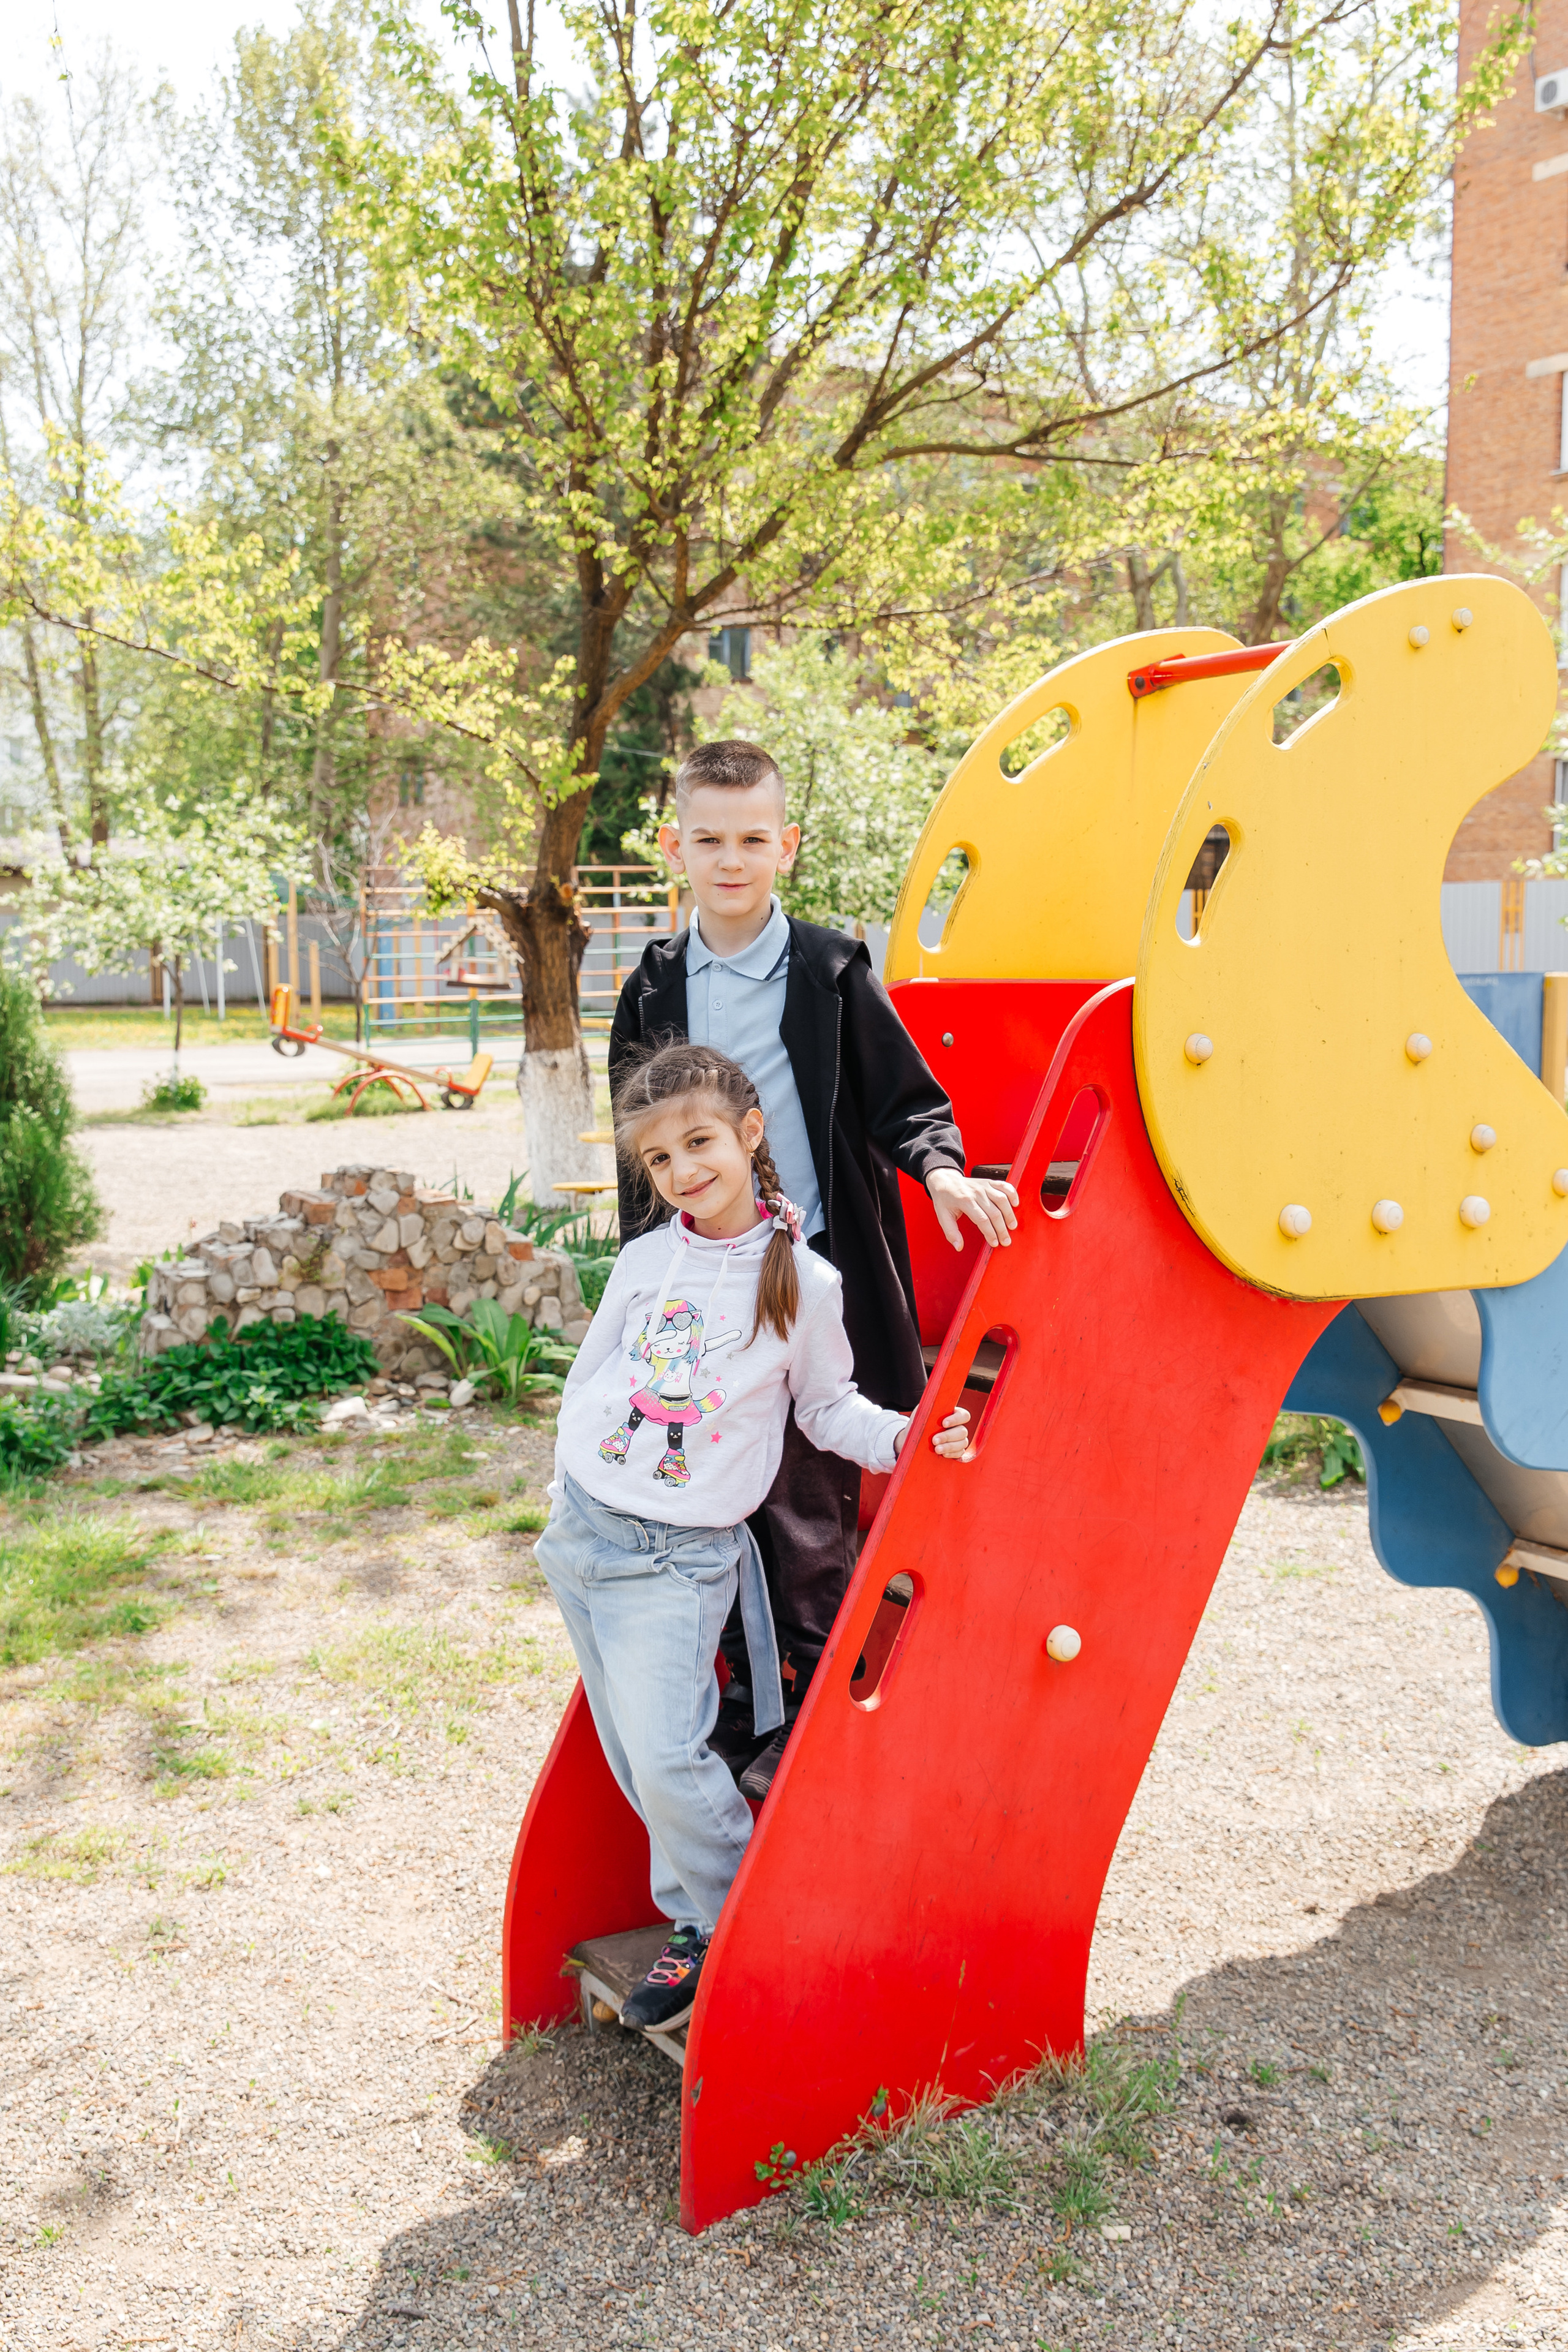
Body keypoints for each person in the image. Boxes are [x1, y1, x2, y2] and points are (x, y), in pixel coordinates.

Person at [536, 1042, 974, 2032]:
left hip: (675, 1562)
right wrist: (567, 1479)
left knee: (667, 1757)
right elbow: (593, 1374)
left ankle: (728, 1928)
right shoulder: (649, 1257)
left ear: (748, 1133)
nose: (684, 1172)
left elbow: (826, 1412)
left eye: (699, 1144)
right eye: (660, 1161)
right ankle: (705, 1915)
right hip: (584, 1538)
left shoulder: (804, 1284)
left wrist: (906, 1438)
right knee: (627, 1757)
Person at [609, 737, 1017, 1794]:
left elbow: (903, 1101)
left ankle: (816, 1710)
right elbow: (640, 1145)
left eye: (752, 838)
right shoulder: (654, 984)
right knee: (716, 1489)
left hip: (807, 1265)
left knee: (811, 1499)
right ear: (675, 848)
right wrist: (641, 1287)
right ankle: (748, 1714)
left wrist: (941, 1173)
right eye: (709, 840)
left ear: (787, 846)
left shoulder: (830, 970)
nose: (731, 859)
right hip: (704, 1277)